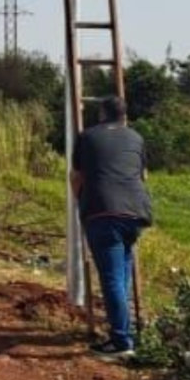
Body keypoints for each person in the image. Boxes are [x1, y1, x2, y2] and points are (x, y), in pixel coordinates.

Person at [70, 95, 153, 361]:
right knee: (122, 272)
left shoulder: (87, 137)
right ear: (124, 116)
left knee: (112, 278)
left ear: (102, 114)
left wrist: (80, 202)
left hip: (103, 211)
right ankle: (125, 331)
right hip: (136, 212)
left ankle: (121, 341)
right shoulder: (136, 138)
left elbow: (76, 176)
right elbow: (143, 175)